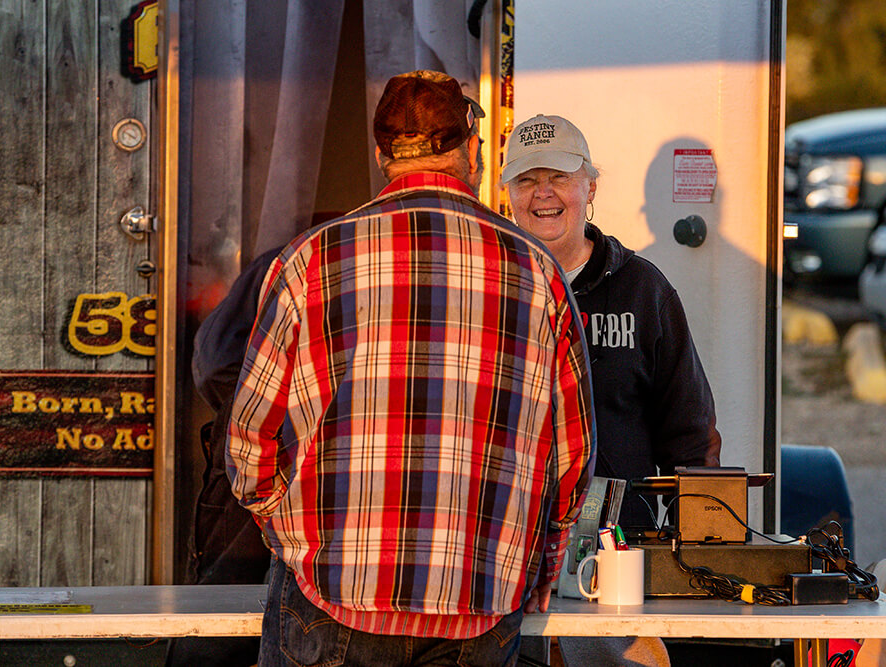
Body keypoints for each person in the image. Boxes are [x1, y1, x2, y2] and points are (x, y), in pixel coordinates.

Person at [226, 71, 596, 666]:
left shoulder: (309, 260)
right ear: (471, 150)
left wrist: (288, 536)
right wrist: (543, 561)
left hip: (334, 592)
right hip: (480, 601)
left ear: (381, 156)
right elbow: (570, 456)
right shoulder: (538, 273)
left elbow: (249, 442)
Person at [502, 114, 723, 666]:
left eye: (560, 177)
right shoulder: (487, 286)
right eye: (527, 180)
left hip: (618, 571)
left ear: (590, 187)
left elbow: (690, 432)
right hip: (503, 572)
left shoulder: (644, 289)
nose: (543, 194)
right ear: (506, 193)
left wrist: (697, 554)